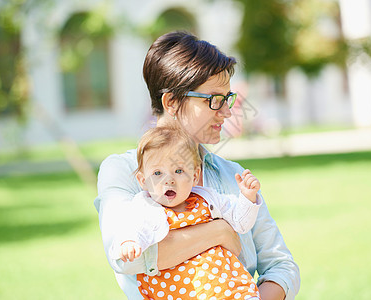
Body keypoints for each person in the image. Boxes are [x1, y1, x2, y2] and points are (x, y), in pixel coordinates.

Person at [95, 31, 300, 300]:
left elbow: (281, 266)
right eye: (214, 100)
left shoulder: (234, 176)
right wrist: (219, 231)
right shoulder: (123, 171)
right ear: (171, 102)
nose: (227, 112)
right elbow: (127, 259)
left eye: (227, 99)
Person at [120, 125, 262, 299]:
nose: (169, 180)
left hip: (227, 286)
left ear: (195, 176)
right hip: (177, 291)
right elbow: (132, 227)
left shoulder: (208, 199)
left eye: (178, 171)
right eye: (157, 173)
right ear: (143, 180)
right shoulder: (145, 207)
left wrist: (247, 198)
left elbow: (241, 223)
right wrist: (129, 242)